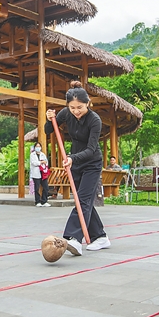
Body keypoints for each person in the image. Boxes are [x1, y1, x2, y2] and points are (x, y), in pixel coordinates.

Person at [45, 81, 110, 254]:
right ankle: (100, 237)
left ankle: (72, 238)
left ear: (87, 103)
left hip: (92, 163)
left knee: (82, 200)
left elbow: (90, 149)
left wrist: (72, 157)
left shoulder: (94, 120)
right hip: (74, 164)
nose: (76, 111)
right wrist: (50, 118)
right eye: (72, 108)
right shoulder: (66, 113)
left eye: (79, 107)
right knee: (85, 201)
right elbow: (47, 130)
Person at [29, 142, 50, 207]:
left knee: (46, 187)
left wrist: (43, 162)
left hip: (43, 173)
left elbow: (46, 162)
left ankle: (44, 201)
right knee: (37, 188)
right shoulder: (32, 155)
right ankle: (37, 201)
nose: (38, 148)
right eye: (37, 146)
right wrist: (41, 162)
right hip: (36, 173)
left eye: (39, 146)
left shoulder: (43, 154)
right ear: (35, 148)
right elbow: (34, 163)